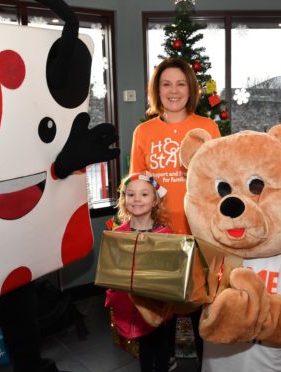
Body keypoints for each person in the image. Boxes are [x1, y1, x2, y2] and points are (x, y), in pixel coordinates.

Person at [129, 57, 221, 371]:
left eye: (181, 83)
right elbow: (137, 186)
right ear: (157, 90)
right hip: (159, 240)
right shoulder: (143, 131)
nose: (174, 90)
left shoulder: (207, 127)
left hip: (199, 239)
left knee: (201, 319)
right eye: (166, 83)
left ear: (190, 88)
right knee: (157, 323)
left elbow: (219, 180)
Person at [105, 173, 172, 372]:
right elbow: (113, 271)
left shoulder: (165, 234)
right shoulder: (117, 235)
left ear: (154, 201)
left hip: (158, 306)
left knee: (161, 345)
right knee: (144, 346)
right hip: (133, 304)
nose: (137, 199)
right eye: (131, 194)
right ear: (124, 200)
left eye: (144, 194)